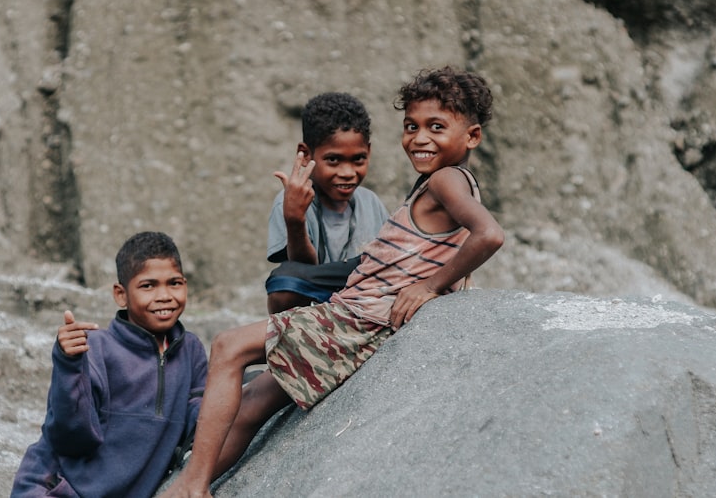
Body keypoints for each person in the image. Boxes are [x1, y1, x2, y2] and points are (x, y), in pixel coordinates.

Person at [160, 66, 505, 498]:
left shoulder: (445, 179)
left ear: (471, 136)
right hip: (353, 312)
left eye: (437, 127)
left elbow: (489, 234)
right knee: (253, 402)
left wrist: (430, 286)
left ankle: (192, 486)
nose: (419, 138)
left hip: (358, 319)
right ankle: (191, 484)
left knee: (229, 346)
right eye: (411, 126)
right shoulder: (447, 182)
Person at [11, 231, 208, 498]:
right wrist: (68, 363)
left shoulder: (191, 352)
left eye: (174, 283)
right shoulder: (96, 347)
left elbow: (202, 420)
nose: (164, 295)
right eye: (148, 286)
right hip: (55, 489)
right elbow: (70, 436)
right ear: (121, 294)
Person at [265, 92, 389, 314]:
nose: (347, 173)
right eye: (333, 160)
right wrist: (295, 219)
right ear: (305, 154)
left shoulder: (371, 203)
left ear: (368, 152)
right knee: (283, 280)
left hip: (364, 307)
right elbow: (300, 274)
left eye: (358, 159)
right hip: (312, 310)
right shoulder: (289, 201)